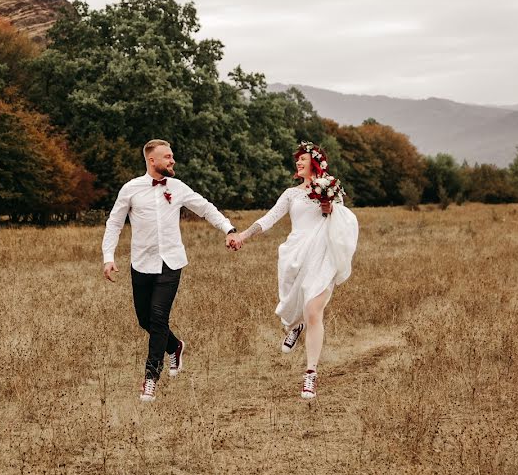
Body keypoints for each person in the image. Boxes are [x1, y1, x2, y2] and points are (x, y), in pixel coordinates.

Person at [102, 139, 239, 402]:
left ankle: (150, 378)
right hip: (141, 263)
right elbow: (114, 223)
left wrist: (229, 229)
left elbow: (205, 208)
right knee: (145, 319)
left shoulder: (177, 187)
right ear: (152, 160)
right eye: (167, 157)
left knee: (157, 317)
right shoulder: (131, 189)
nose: (172, 160)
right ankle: (175, 346)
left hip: (171, 262)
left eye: (172, 156)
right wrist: (108, 257)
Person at [232, 142, 358, 399]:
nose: (298, 163)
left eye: (302, 159)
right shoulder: (291, 194)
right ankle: (295, 326)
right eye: (297, 160)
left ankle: (310, 374)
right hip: (295, 255)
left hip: (323, 256)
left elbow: (343, 222)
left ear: (315, 162)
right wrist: (243, 235)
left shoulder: (331, 190)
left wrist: (329, 208)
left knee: (313, 311)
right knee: (296, 307)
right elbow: (269, 219)